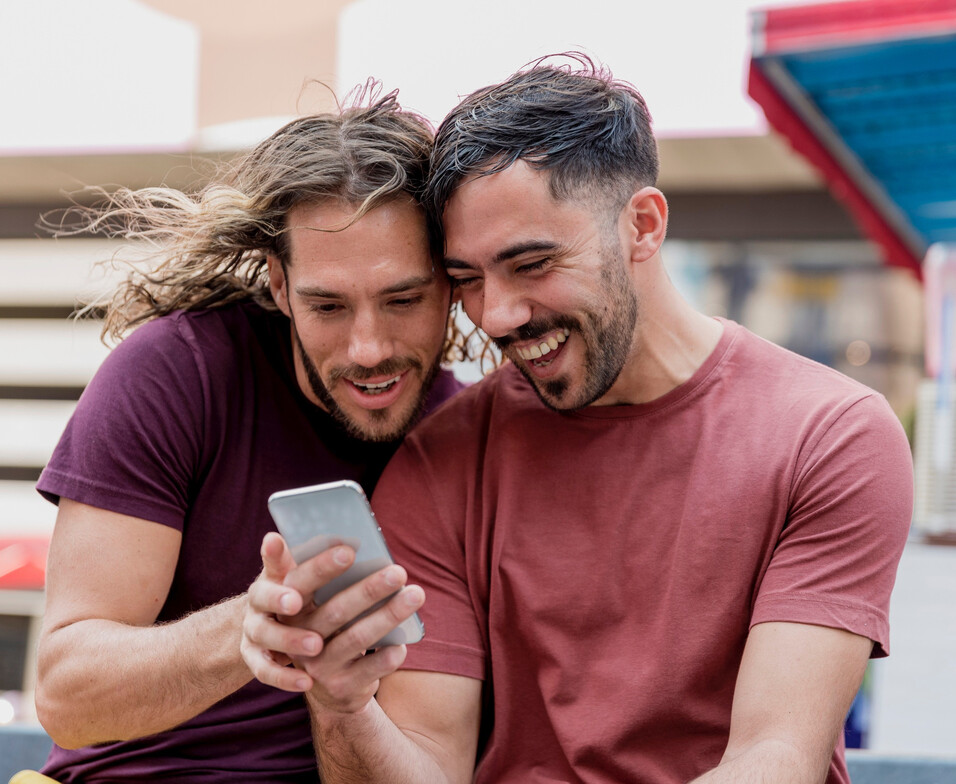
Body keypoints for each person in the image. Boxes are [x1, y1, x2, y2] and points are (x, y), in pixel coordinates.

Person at [242, 57, 914, 784]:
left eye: (531, 264)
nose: (497, 314)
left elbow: (773, 757)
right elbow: (426, 765)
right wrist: (343, 706)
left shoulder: (830, 435)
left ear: (643, 225)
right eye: (467, 279)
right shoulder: (444, 457)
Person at [32, 88, 467, 783]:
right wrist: (252, 628)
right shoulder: (176, 373)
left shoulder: (467, 438)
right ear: (278, 282)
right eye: (328, 305)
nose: (368, 347)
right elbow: (65, 696)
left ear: (450, 283)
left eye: (403, 300)